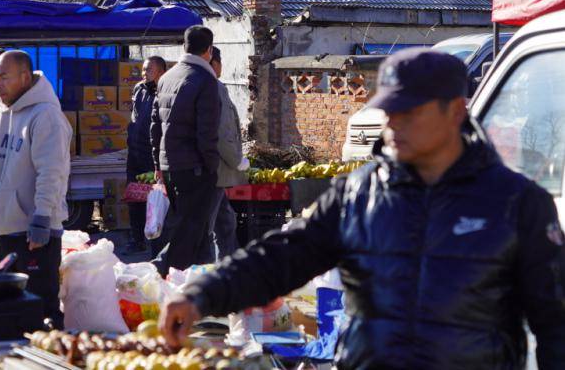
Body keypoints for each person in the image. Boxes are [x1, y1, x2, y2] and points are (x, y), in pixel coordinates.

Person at [160, 49, 565, 369]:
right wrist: (203, 294)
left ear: (456, 110)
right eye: (389, 113)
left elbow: (555, 323)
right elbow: (282, 256)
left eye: (410, 113)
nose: (393, 127)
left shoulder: (517, 204)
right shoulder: (358, 194)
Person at [0, 50, 72, 326]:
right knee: (12, 309)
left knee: (41, 309)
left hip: (34, 235)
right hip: (3, 232)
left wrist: (42, 217)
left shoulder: (46, 116)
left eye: (4, 77)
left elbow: (52, 172)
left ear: (25, 77)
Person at [150, 25, 220, 276]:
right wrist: (212, 166)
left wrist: (158, 164)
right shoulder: (205, 80)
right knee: (189, 230)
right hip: (195, 167)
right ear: (209, 50)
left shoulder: (167, 77)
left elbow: (155, 126)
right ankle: (161, 271)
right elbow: (207, 133)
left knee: (196, 229)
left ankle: (199, 285)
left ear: (184, 47)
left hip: (170, 165)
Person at [207, 47, 248, 261]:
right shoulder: (213, 87)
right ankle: (161, 265)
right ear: (214, 63)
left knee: (225, 221)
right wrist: (236, 160)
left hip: (211, 169)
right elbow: (221, 132)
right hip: (214, 168)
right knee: (205, 228)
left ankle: (231, 263)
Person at [125, 55, 167, 254]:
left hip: (153, 155)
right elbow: (135, 116)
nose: (143, 73)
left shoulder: (165, 91)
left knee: (154, 199)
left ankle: (157, 240)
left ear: (160, 71)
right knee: (134, 196)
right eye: (143, 70)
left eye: (148, 70)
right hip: (135, 152)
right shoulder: (139, 89)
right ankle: (136, 238)